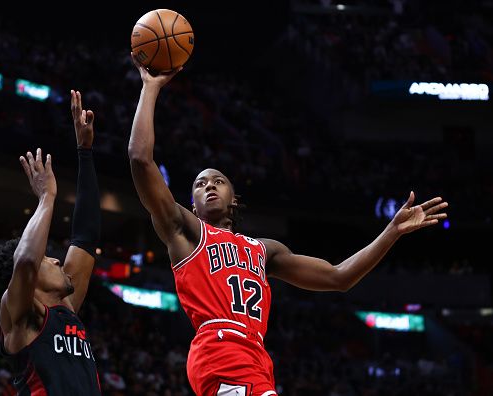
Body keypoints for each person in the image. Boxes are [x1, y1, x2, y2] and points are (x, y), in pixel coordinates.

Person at [127, 58, 448, 396]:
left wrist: (391, 232)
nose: (209, 185)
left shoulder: (265, 250)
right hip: (219, 348)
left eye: (218, 181)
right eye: (200, 183)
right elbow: (139, 160)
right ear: (191, 203)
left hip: (255, 356)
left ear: (233, 199)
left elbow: (339, 277)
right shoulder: (185, 230)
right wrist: (150, 88)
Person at [0, 91, 102, 395]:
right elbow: (25, 261)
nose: (57, 260)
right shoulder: (19, 315)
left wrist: (85, 152)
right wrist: (47, 198)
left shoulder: (67, 308)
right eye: (48, 258)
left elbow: (85, 237)